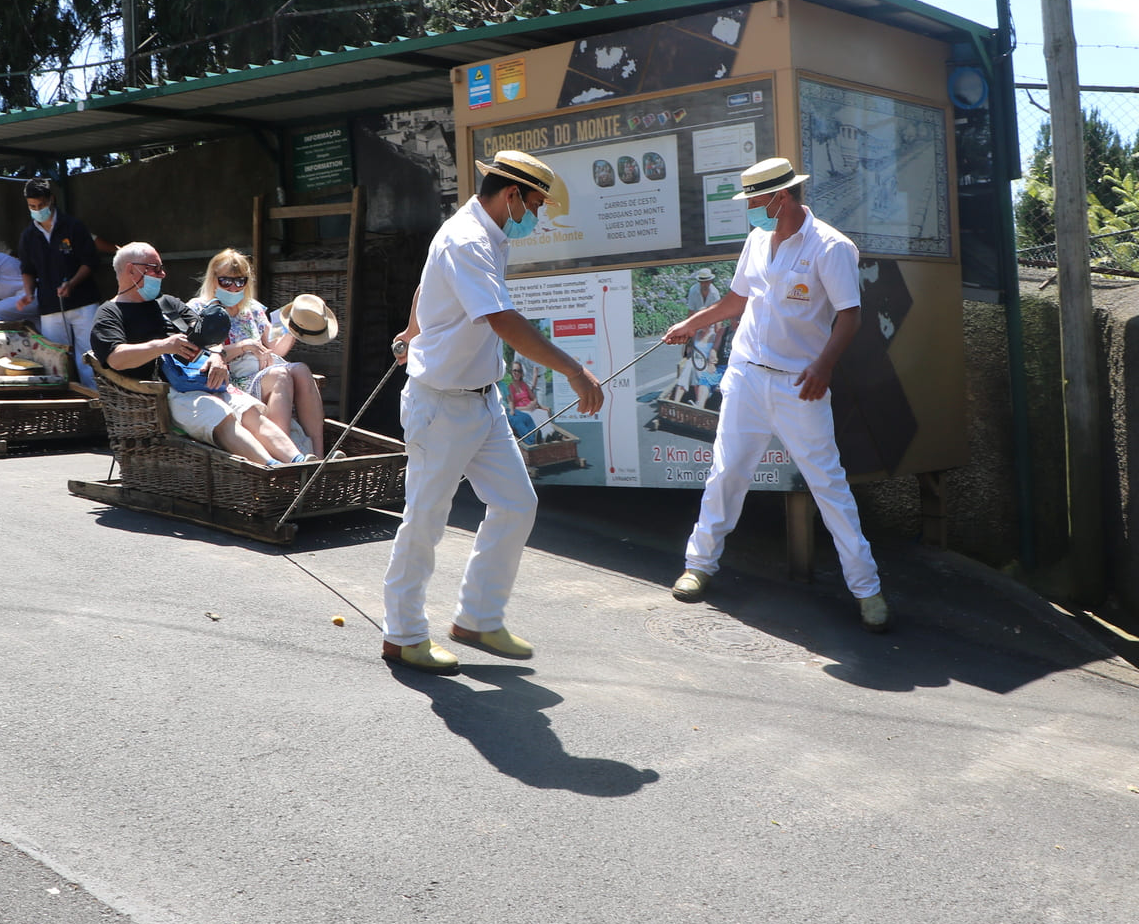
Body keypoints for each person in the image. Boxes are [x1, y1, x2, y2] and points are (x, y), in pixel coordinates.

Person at [379, 150, 605, 674]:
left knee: (516, 504)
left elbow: (427, 285)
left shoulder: (488, 233)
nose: (538, 214)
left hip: (483, 399)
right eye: (536, 204)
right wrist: (574, 370)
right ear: (511, 195)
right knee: (425, 520)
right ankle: (403, 635)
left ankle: (477, 618)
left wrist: (412, 330)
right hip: (441, 405)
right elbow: (502, 318)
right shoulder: (468, 239)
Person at [661, 157, 890, 632]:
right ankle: (698, 566)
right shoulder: (756, 239)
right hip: (746, 374)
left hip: (798, 383)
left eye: (753, 200)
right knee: (726, 472)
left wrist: (823, 366)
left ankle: (867, 589)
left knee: (828, 484)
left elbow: (850, 315)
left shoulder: (830, 246)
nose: (748, 209)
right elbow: (737, 299)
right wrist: (691, 324)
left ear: (780, 198)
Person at [91, 243, 307, 467]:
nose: (162, 274)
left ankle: (301, 462)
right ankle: (275, 469)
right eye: (155, 269)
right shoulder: (109, 313)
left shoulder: (168, 304)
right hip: (162, 394)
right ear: (131, 269)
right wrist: (163, 346)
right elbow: (115, 357)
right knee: (220, 414)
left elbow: (206, 334)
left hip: (203, 379)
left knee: (250, 411)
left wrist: (217, 355)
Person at [194, 249, 329, 457]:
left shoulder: (254, 308)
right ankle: (286, 456)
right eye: (225, 281)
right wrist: (244, 346)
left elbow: (276, 348)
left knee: (301, 370)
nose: (233, 287)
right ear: (213, 279)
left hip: (261, 371)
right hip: (228, 381)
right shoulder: (200, 308)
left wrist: (294, 327)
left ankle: (319, 455)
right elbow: (199, 354)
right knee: (280, 375)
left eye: (240, 281)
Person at [16, 178, 100, 386]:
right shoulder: (27, 236)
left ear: (51, 199)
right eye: (32, 206)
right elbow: (27, 270)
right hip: (50, 307)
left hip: (84, 303)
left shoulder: (73, 226)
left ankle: (97, 398)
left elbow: (90, 261)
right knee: (57, 361)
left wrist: (72, 283)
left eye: (41, 205)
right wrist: (29, 294)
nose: (37, 210)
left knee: (90, 356)